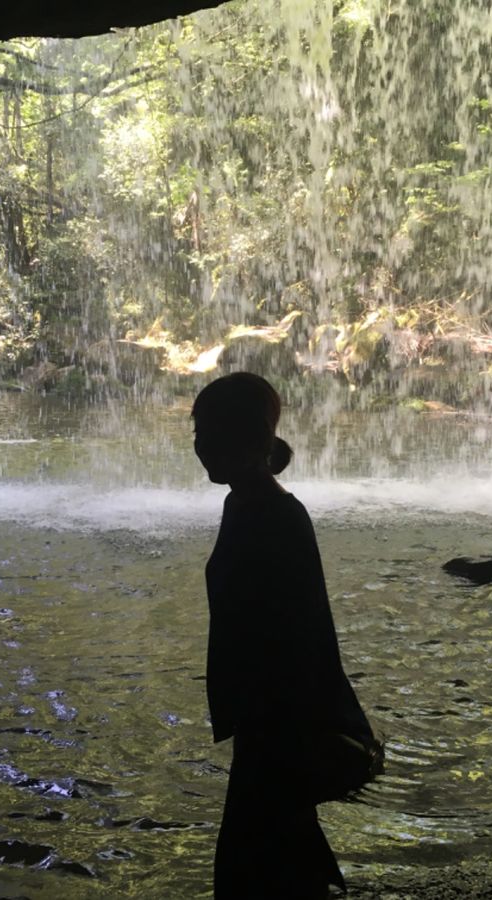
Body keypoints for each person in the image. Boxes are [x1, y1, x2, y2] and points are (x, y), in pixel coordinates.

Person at [192, 372, 376, 899]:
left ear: (249, 441)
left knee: (255, 868)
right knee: (272, 856)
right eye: (198, 432)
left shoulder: (275, 516)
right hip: (263, 721)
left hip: (278, 722)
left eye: (212, 431)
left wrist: (281, 730)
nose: (201, 445)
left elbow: (302, 633)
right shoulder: (246, 505)